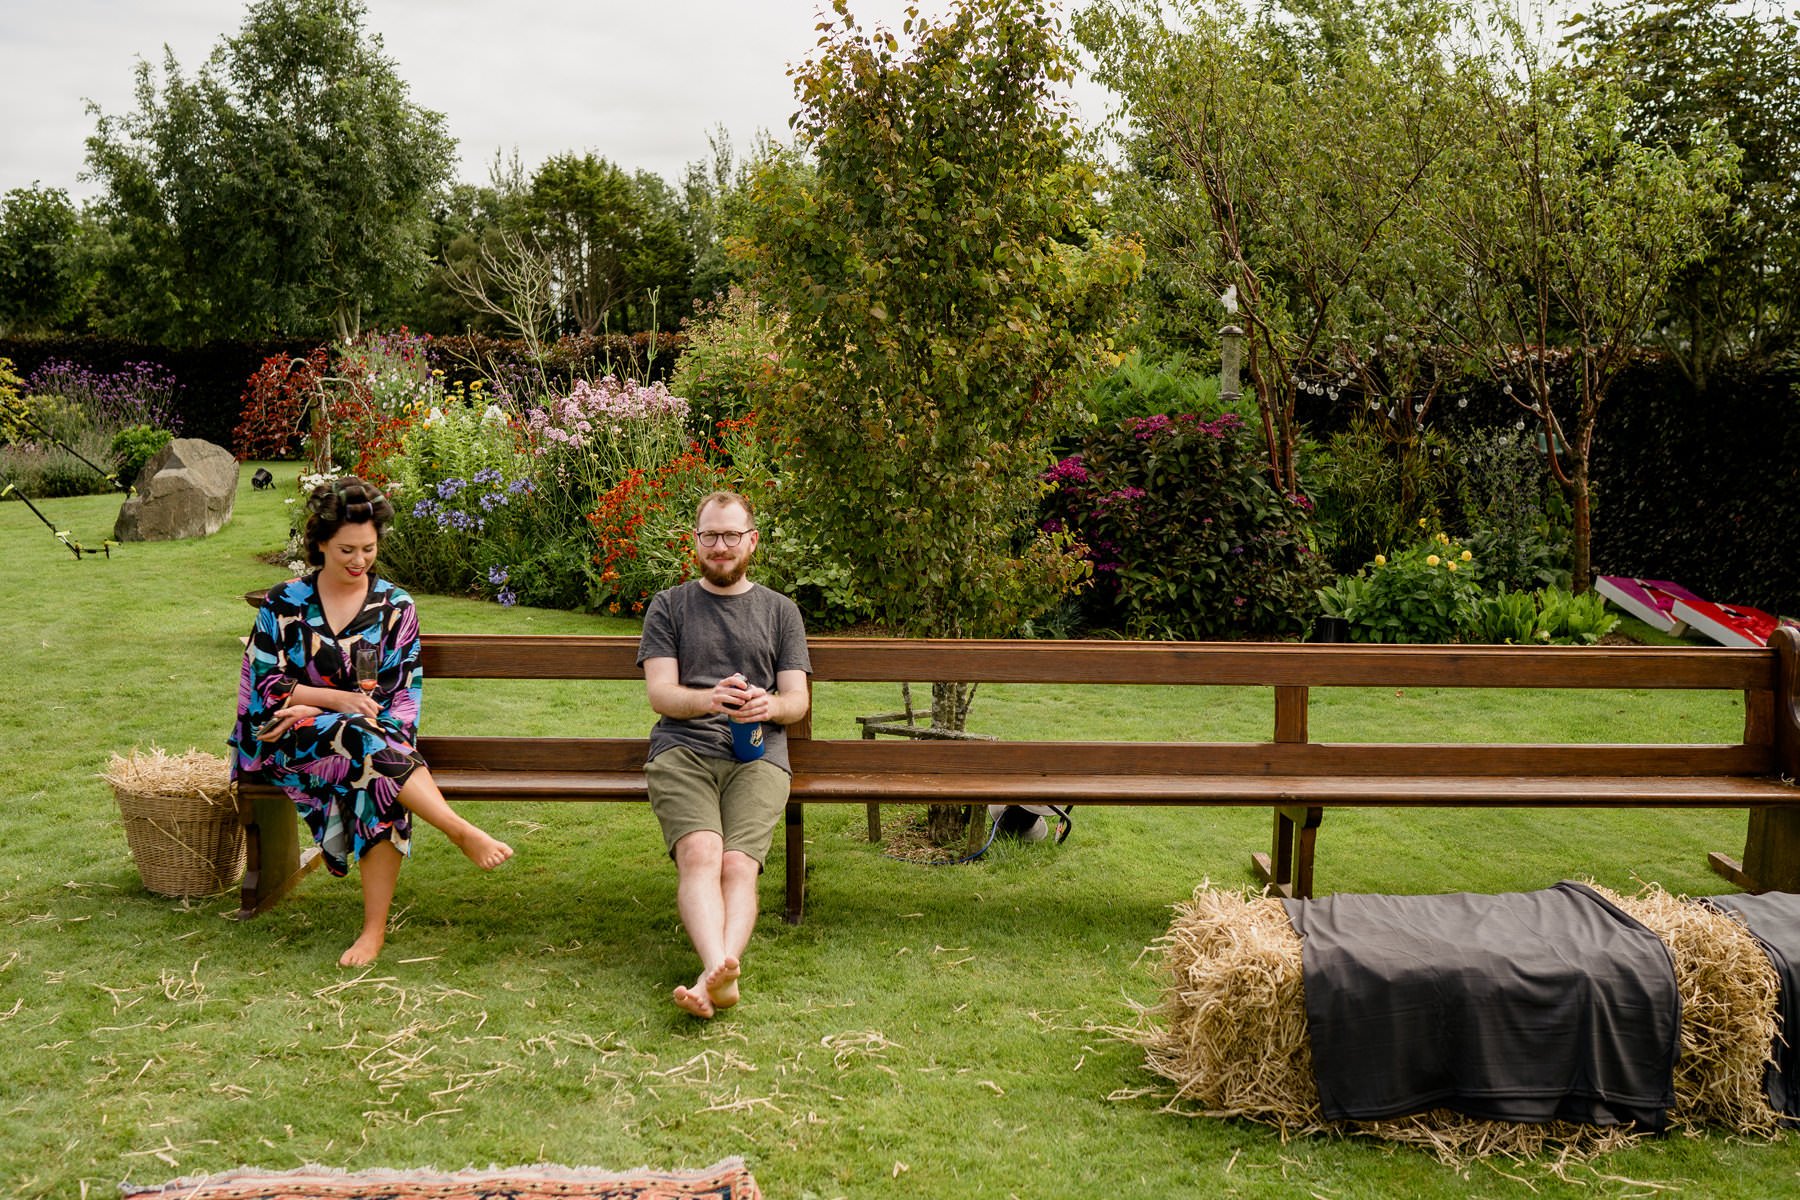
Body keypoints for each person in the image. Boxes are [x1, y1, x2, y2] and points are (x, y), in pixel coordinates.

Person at [229, 475, 512, 967]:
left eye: (368, 549)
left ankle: (373, 931)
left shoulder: (395, 607)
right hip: (286, 744)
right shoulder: (283, 602)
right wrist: (334, 701)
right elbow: (265, 691)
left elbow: (398, 699)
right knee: (366, 746)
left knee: (373, 771)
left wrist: (317, 705)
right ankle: (456, 828)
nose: (359, 561)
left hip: (367, 741)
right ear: (319, 544)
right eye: (345, 550)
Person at [638, 490, 811, 1017]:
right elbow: (661, 694)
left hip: (756, 756)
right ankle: (719, 967)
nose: (720, 546)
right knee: (701, 855)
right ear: (695, 542)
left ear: (751, 541)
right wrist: (708, 699)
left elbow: (796, 702)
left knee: (738, 864)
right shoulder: (669, 606)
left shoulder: (780, 612)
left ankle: (716, 972)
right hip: (682, 752)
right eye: (710, 535)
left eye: (731, 535)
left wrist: (768, 705)